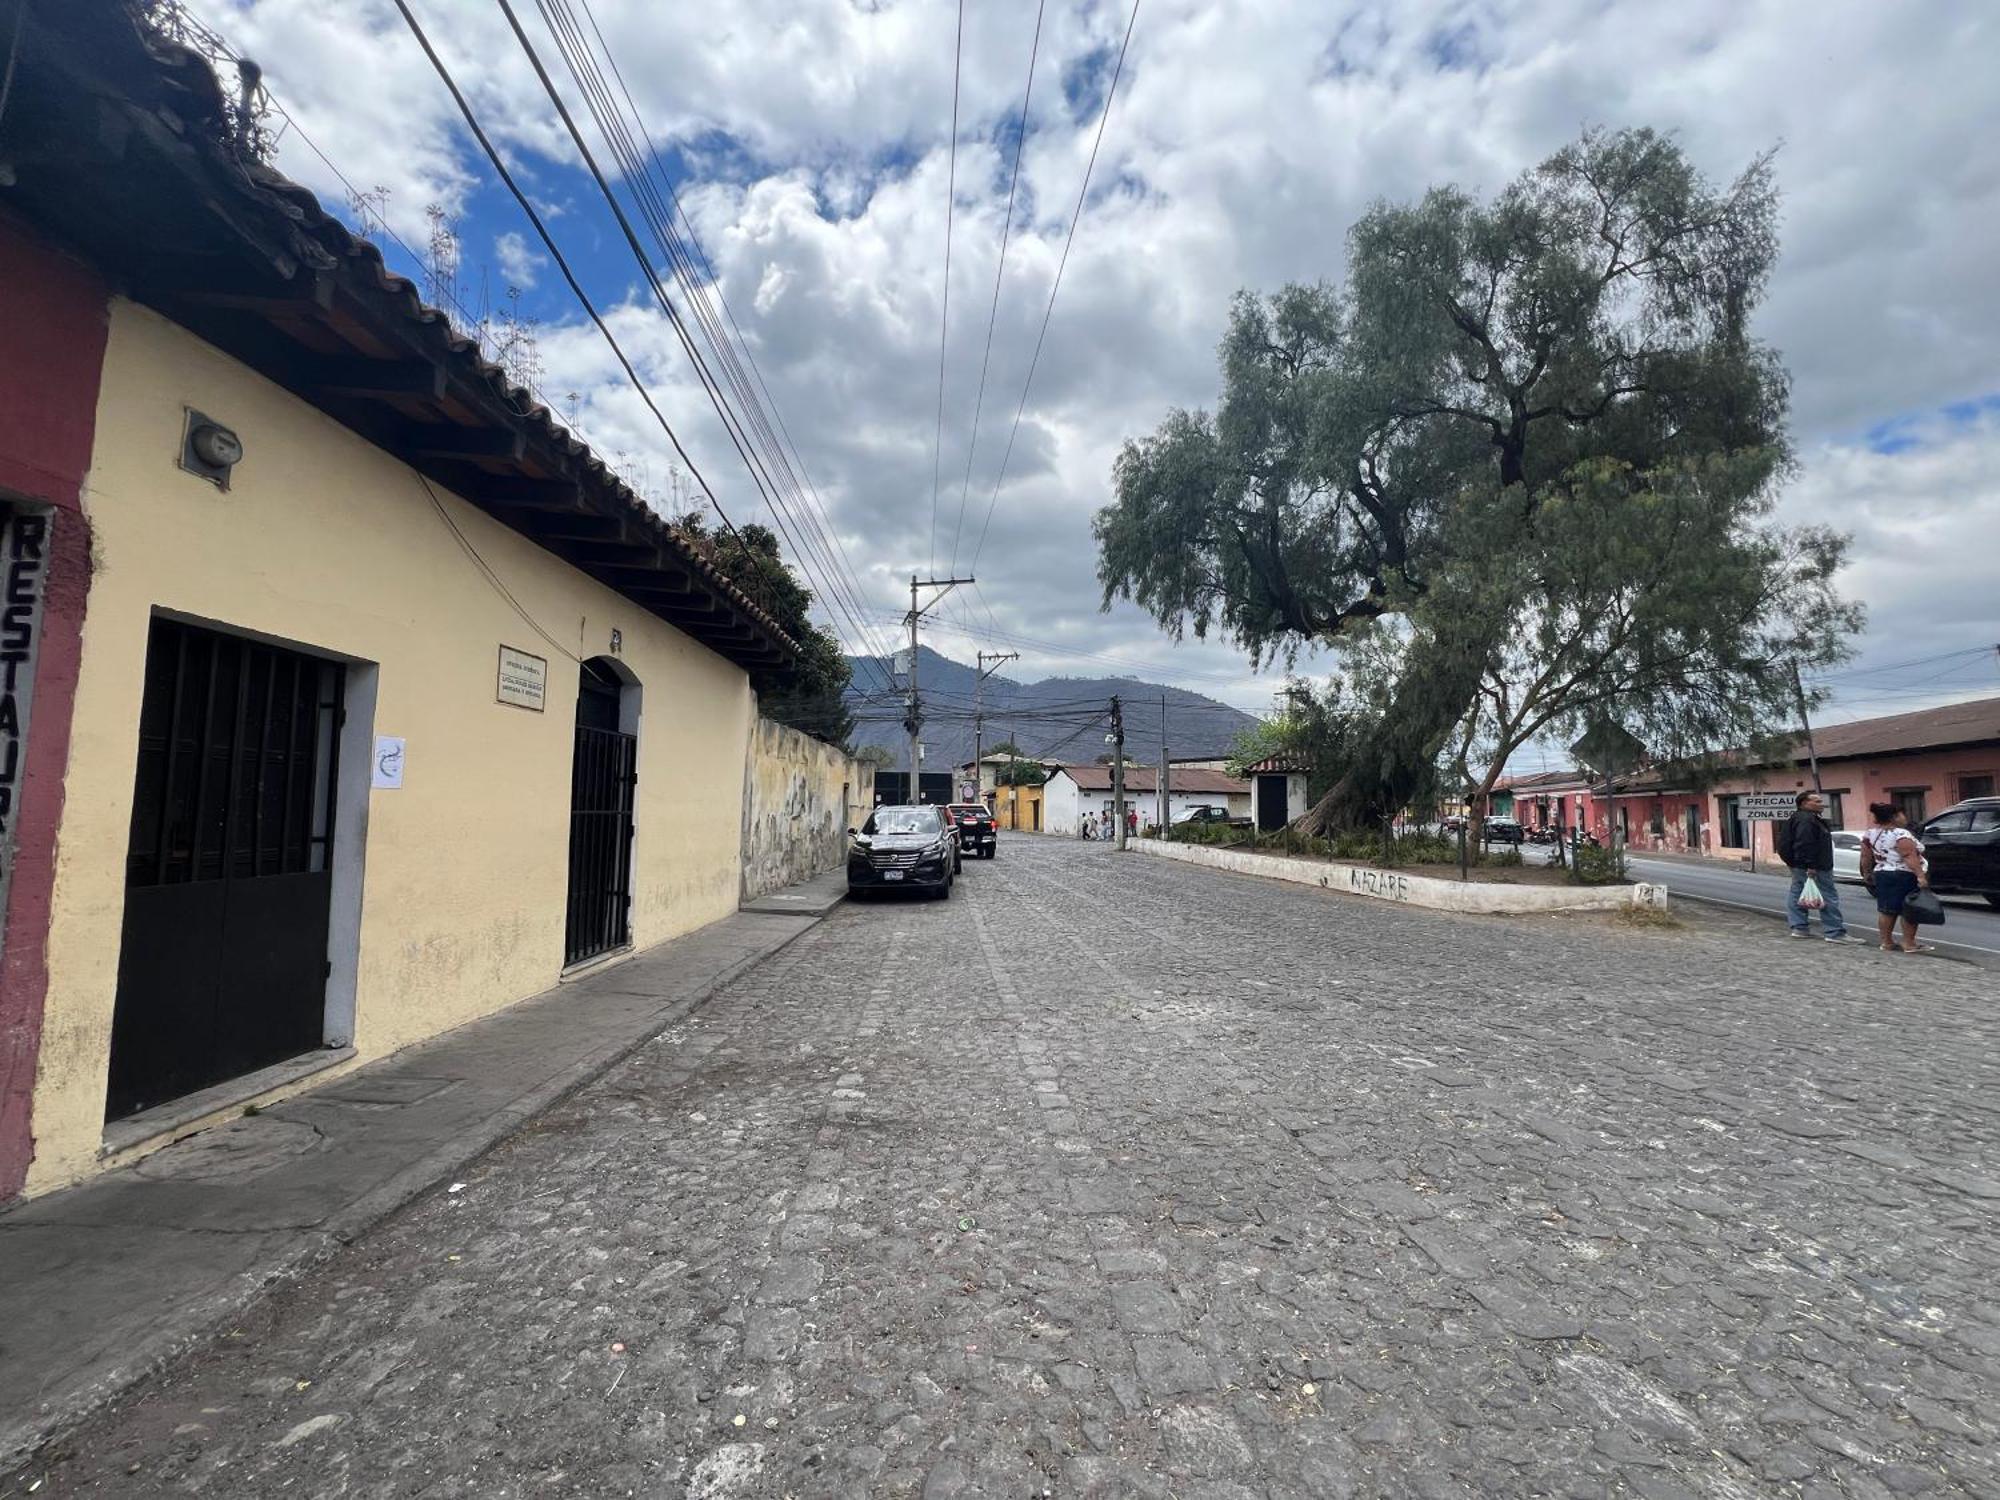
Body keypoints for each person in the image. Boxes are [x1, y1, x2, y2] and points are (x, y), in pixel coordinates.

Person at [1776, 790, 1849, 942]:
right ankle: (1834, 932)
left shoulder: (1803, 818)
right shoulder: (1806, 820)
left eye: (1820, 801)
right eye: (1816, 801)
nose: (1821, 804)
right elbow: (1805, 843)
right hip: (1814, 866)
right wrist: (1810, 865)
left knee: (1797, 893)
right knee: (1827, 895)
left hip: (1800, 864)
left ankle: (1799, 928)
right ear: (1804, 803)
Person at [1859, 801, 1929, 954]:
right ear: (1894, 817)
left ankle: (1886, 942)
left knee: (1886, 910)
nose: (1905, 817)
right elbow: (1909, 856)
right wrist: (1921, 876)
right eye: (1902, 814)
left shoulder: (1870, 834)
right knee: (1909, 909)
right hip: (1903, 874)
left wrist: (1867, 873)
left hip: (1882, 873)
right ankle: (1909, 943)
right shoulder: (1901, 834)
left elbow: (1865, 856)